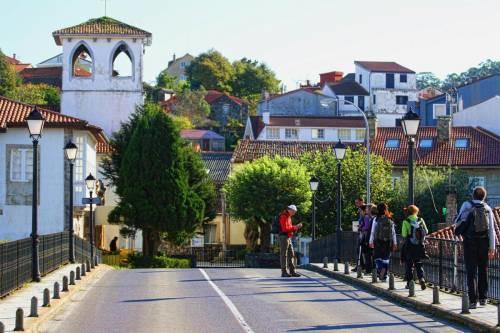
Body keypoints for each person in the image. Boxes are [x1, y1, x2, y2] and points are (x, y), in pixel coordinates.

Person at [454, 186, 496, 309]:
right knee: (483, 270)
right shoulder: (488, 208)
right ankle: (483, 298)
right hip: (484, 243)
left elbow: (457, 222)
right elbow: (492, 230)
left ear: (473, 195)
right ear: (484, 196)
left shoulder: (466, 206)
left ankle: (473, 301)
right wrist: (492, 247)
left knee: (471, 271)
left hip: (469, 243)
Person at [401, 205, 428, 290]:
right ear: (416, 211)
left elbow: (404, 234)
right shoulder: (420, 220)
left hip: (409, 245)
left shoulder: (406, 221)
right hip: (419, 245)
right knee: (418, 263)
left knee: (409, 264)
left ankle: (410, 283)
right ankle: (421, 279)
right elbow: (426, 231)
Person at [369, 203, 397, 282]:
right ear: (386, 209)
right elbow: (393, 232)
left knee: (377, 257)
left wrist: (370, 241)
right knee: (386, 258)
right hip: (388, 241)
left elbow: (372, 231)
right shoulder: (389, 219)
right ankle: (384, 274)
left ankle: (381, 269)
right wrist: (395, 243)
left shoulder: (376, 219)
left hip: (378, 241)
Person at [279, 204, 303, 277]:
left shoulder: (288, 216)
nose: (294, 213)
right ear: (290, 210)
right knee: (284, 254)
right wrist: (295, 227)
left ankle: (292, 271)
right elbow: (285, 229)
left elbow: (288, 228)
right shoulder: (284, 216)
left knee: (291, 254)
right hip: (284, 237)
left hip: (288, 237)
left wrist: (294, 228)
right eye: (294, 211)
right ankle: (284, 272)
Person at [359, 204, 375, 274]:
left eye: (367, 209)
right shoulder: (374, 217)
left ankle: (368, 269)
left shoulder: (367, 217)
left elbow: (367, 227)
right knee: (373, 255)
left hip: (368, 238)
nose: (366, 210)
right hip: (375, 239)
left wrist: (360, 228)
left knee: (367, 254)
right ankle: (373, 270)